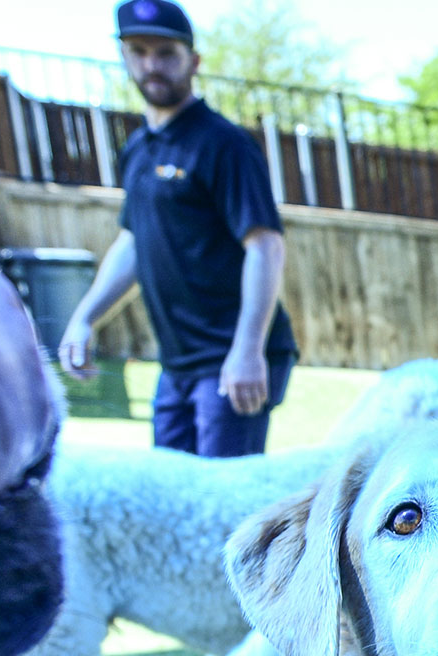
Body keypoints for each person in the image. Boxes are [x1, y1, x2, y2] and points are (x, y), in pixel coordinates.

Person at [58, 0, 296, 456]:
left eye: (166, 53)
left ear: (194, 61)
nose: (152, 65)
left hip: (230, 358)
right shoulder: (137, 149)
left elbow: (265, 247)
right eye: (139, 51)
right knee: (168, 492)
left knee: (221, 495)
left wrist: (248, 350)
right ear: (124, 56)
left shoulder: (223, 144)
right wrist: (85, 318)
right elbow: (133, 241)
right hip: (176, 365)